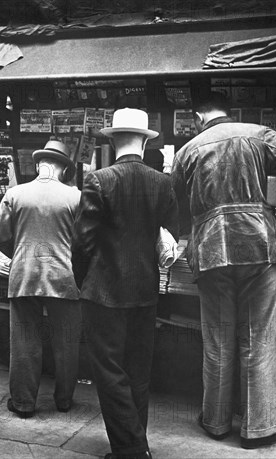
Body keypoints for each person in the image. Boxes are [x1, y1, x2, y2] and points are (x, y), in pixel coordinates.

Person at [170, 93, 276, 449]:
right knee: (259, 338)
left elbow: (172, 201)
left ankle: (216, 422)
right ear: (229, 111)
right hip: (260, 246)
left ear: (198, 117)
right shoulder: (260, 135)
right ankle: (259, 429)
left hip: (210, 251)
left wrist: (188, 233)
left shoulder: (187, 150)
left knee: (218, 338)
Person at [72, 108, 179, 459]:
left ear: (113, 139)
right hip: (145, 290)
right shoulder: (162, 183)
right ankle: (133, 444)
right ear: (145, 142)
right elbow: (169, 233)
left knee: (109, 373)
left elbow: (82, 243)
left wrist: (82, 281)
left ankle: (132, 451)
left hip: (103, 292)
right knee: (137, 373)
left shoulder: (99, 180)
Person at [0, 139, 82, 418]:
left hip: (24, 275)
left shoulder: (15, 194)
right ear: (65, 169)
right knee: (66, 341)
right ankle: (64, 400)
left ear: (38, 165)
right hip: (63, 277)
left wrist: (21, 254)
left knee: (24, 341)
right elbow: (83, 242)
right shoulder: (76, 197)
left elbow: (1, 237)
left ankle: (23, 403)